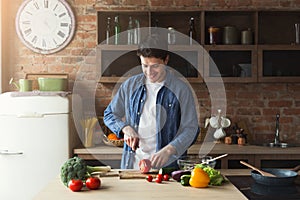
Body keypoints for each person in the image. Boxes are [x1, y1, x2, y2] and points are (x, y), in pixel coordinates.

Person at [103, 34, 199, 169]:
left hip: (168, 168)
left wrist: (169, 150)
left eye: (155, 66)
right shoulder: (129, 85)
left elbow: (191, 129)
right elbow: (109, 114)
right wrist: (125, 128)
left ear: (166, 60)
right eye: (145, 65)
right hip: (133, 165)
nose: (149, 72)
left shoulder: (181, 90)